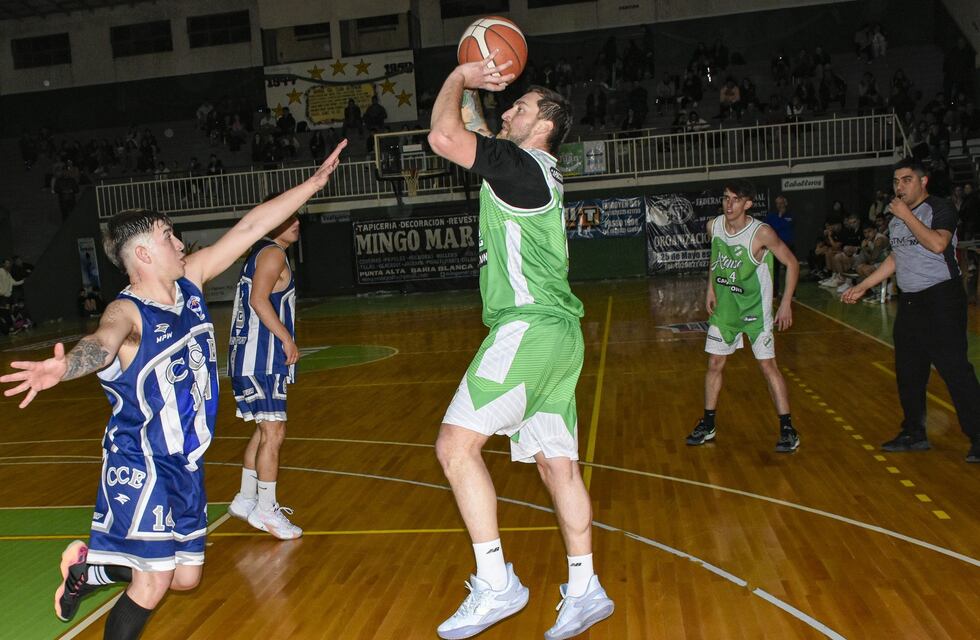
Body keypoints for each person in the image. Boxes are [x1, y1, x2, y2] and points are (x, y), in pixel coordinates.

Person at [0, 140, 347, 638]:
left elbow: (250, 228)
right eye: (168, 237)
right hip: (139, 459)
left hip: (186, 462)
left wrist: (312, 185)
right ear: (142, 253)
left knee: (185, 578)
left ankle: (89, 569)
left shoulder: (192, 283)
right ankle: (99, 570)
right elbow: (100, 344)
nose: (180, 244)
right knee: (153, 580)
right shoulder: (127, 312)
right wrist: (63, 369)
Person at [426, 51, 614, 640]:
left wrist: (459, 76)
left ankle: (495, 582)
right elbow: (476, 127)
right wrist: (475, 68)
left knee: (455, 448)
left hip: (528, 328)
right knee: (560, 469)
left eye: (522, 105)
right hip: (561, 337)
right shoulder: (532, 169)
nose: (510, 110)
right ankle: (587, 588)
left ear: (545, 125)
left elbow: (442, 135)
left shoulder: (521, 165)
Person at [841, 159, 980, 462]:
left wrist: (906, 215)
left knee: (955, 369)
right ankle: (914, 433)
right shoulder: (895, 220)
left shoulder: (939, 209)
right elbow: (897, 257)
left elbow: (937, 244)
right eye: (895, 181)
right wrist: (865, 285)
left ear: (923, 181)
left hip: (942, 298)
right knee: (908, 372)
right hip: (911, 301)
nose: (899, 187)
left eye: (906, 180)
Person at [686, 180, 801, 452]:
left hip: (755, 310)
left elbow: (792, 263)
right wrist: (710, 289)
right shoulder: (714, 226)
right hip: (726, 309)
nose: (729, 204)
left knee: (767, 366)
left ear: (748, 204)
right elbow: (715, 260)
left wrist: (785, 303)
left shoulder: (761, 233)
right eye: (726, 198)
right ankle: (709, 423)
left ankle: (788, 428)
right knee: (715, 363)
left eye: (736, 199)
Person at [226, 194, 302, 539]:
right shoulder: (272, 253)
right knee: (274, 432)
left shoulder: (263, 254)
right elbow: (259, 300)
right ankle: (267, 509)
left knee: (263, 429)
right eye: (290, 217)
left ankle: (245, 498)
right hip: (261, 357)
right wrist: (286, 337)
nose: (297, 221)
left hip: (249, 357)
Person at [765, 195, 794, 296]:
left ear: (785, 203)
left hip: (788, 246)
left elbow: (788, 227)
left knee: (790, 269)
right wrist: (780, 217)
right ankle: (775, 293)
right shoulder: (771, 216)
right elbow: (772, 228)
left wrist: (782, 218)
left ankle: (791, 294)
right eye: (777, 203)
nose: (779, 205)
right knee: (775, 271)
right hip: (775, 246)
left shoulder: (791, 215)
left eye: (781, 203)